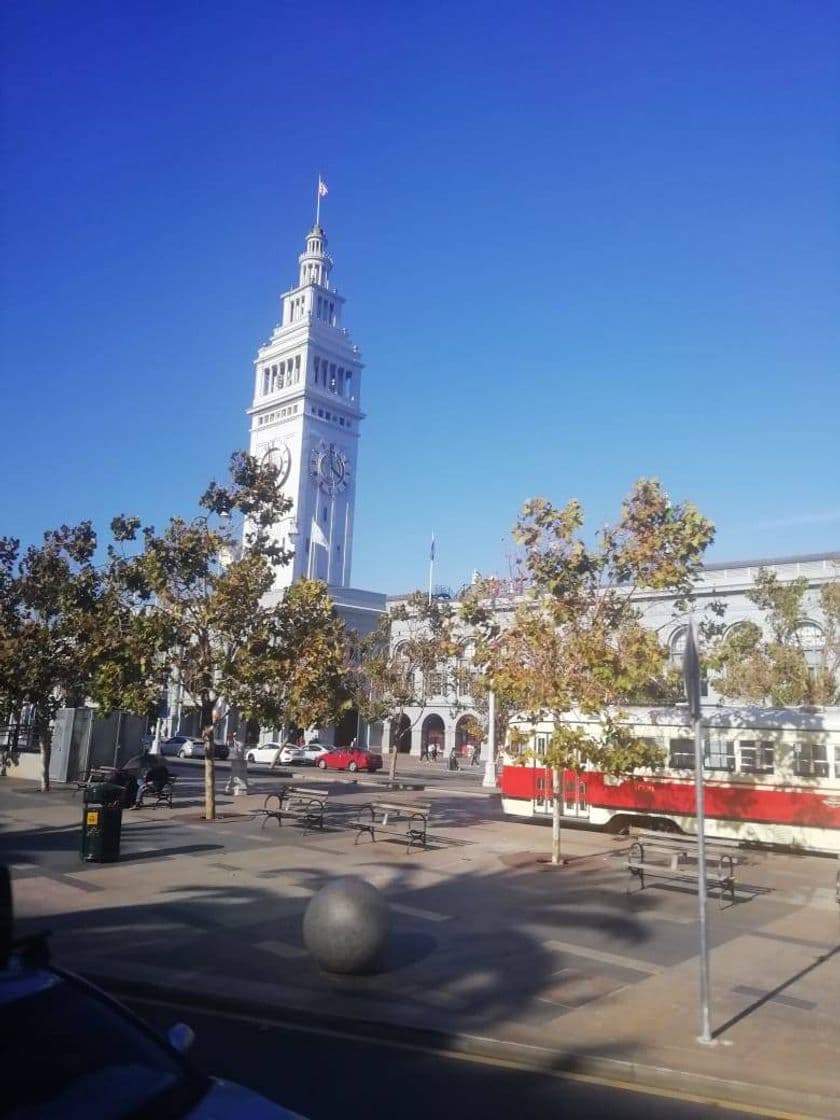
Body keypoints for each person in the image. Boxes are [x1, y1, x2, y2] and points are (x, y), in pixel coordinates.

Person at [225, 724, 251, 796]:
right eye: (234, 736)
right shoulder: (235, 742)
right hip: (237, 758)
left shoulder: (239, 742)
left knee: (239, 752)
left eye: (235, 736)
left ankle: (236, 785)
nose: (234, 737)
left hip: (240, 758)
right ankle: (234, 785)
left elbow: (240, 747)